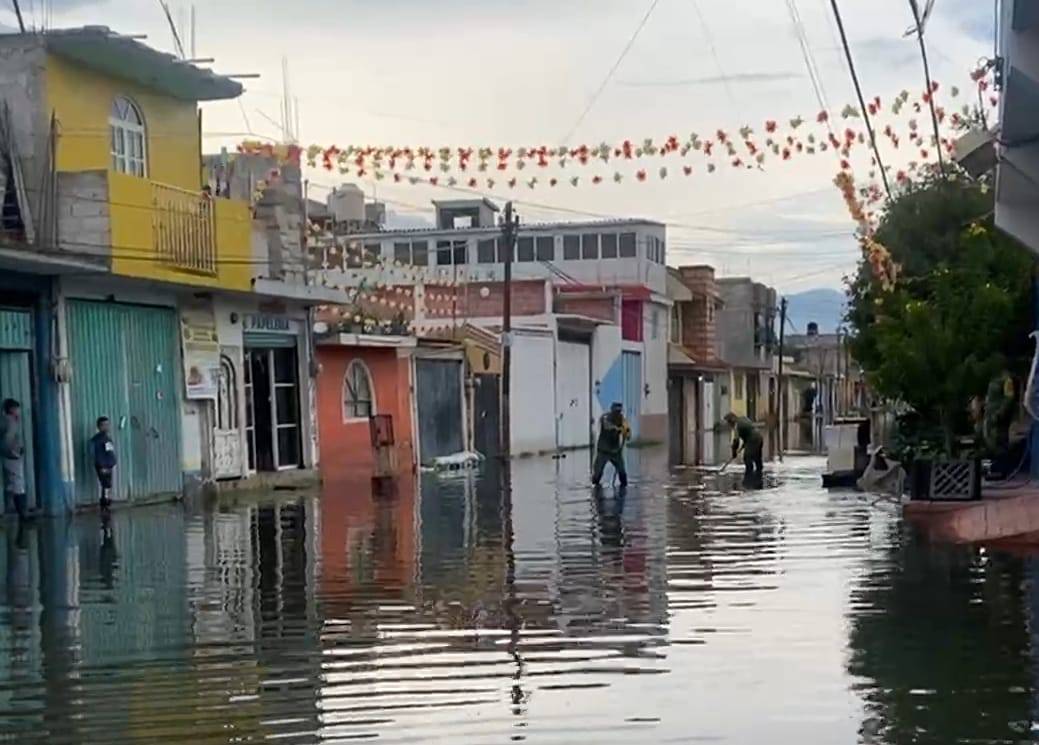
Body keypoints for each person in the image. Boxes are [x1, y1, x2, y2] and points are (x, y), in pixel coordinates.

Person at [592, 402, 631, 487]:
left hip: (615, 451)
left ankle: (623, 489)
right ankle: (595, 489)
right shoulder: (605, 417)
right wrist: (617, 429)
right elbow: (607, 426)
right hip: (603, 451)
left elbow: (627, 430)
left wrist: (627, 433)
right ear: (612, 410)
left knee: (622, 473)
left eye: (619, 412)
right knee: (597, 474)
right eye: (616, 412)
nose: (618, 414)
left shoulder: (622, 419)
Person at [1, 398, 26, 520]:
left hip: (8, 456)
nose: (18, 411)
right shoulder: (11, 422)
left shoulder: (5, 420)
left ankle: (11, 510)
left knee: (10, 484)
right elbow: (7, 440)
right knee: (17, 483)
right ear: (11, 409)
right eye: (16, 409)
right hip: (12, 457)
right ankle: (23, 513)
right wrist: (14, 453)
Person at [724, 412, 763, 486]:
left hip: (753, 439)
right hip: (759, 437)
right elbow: (748, 431)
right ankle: (759, 476)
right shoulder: (743, 418)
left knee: (747, 458)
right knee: (757, 458)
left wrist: (734, 452)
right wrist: (745, 444)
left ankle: (749, 478)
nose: (729, 424)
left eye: (729, 422)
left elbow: (736, 440)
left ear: (732, 420)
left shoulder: (737, 425)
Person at [90, 416, 116, 509]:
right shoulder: (97, 440)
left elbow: (110, 452)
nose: (106, 427)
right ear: (99, 427)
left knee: (107, 484)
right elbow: (95, 454)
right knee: (106, 484)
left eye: (107, 425)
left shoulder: (106, 438)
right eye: (104, 425)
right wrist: (102, 466)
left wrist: (112, 463)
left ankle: (106, 503)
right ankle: (105, 504)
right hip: (103, 465)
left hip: (107, 465)